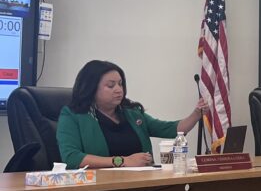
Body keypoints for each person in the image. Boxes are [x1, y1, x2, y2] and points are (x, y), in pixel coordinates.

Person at [57, 60, 207, 169]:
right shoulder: (73, 116)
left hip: (141, 184)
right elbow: (71, 158)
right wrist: (122, 161)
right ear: (91, 88)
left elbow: (172, 129)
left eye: (120, 84)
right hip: (98, 187)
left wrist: (196, 114)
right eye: (110, 85)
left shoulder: (131, 113)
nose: (118, 89)